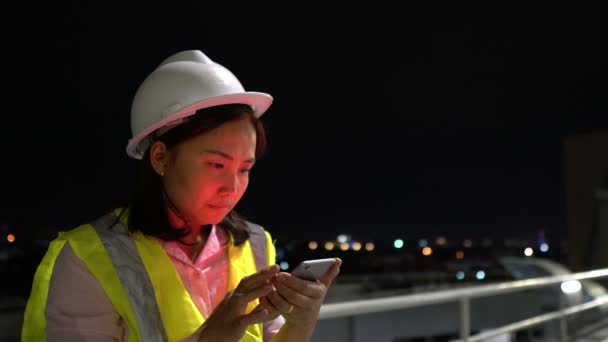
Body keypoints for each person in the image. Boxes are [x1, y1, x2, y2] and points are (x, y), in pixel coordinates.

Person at [21, 50, 341, 342]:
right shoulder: (89, 256)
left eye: (244, 168)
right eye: (216, 164)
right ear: (160, 158)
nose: (233, 187)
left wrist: (300, 322)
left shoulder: (256, 244)